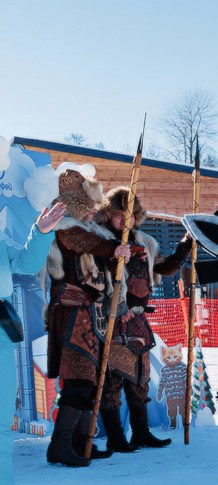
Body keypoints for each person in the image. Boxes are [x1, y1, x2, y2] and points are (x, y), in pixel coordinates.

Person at [95, 188, 193, 453]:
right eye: (118, 215)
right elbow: (98, 279)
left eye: (129, 216)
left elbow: (165, 267)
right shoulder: (100, 242)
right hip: (113, 318)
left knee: (140, 380)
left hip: (138, 322)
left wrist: (185, 245)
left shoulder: (146, 243)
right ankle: (116, 437)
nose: (124, 221)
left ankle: (141, 433)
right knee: (113, 381)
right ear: (108, 216)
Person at [45, 170, 127, 468]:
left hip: (85, 315)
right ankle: (60, 446)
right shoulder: (65, 227)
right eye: (89, 207)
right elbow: (81, 241)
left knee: (88, 382)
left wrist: (115, 252)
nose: (95, 211)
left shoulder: (87, 232)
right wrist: (111, 248)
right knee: (78, 381)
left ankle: (79, 443)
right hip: (69, 314)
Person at [1, 200, 66, 485]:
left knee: (0, 422)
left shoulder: (0, 244)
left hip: (0, 337)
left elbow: (26, 263)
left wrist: (40, 233)